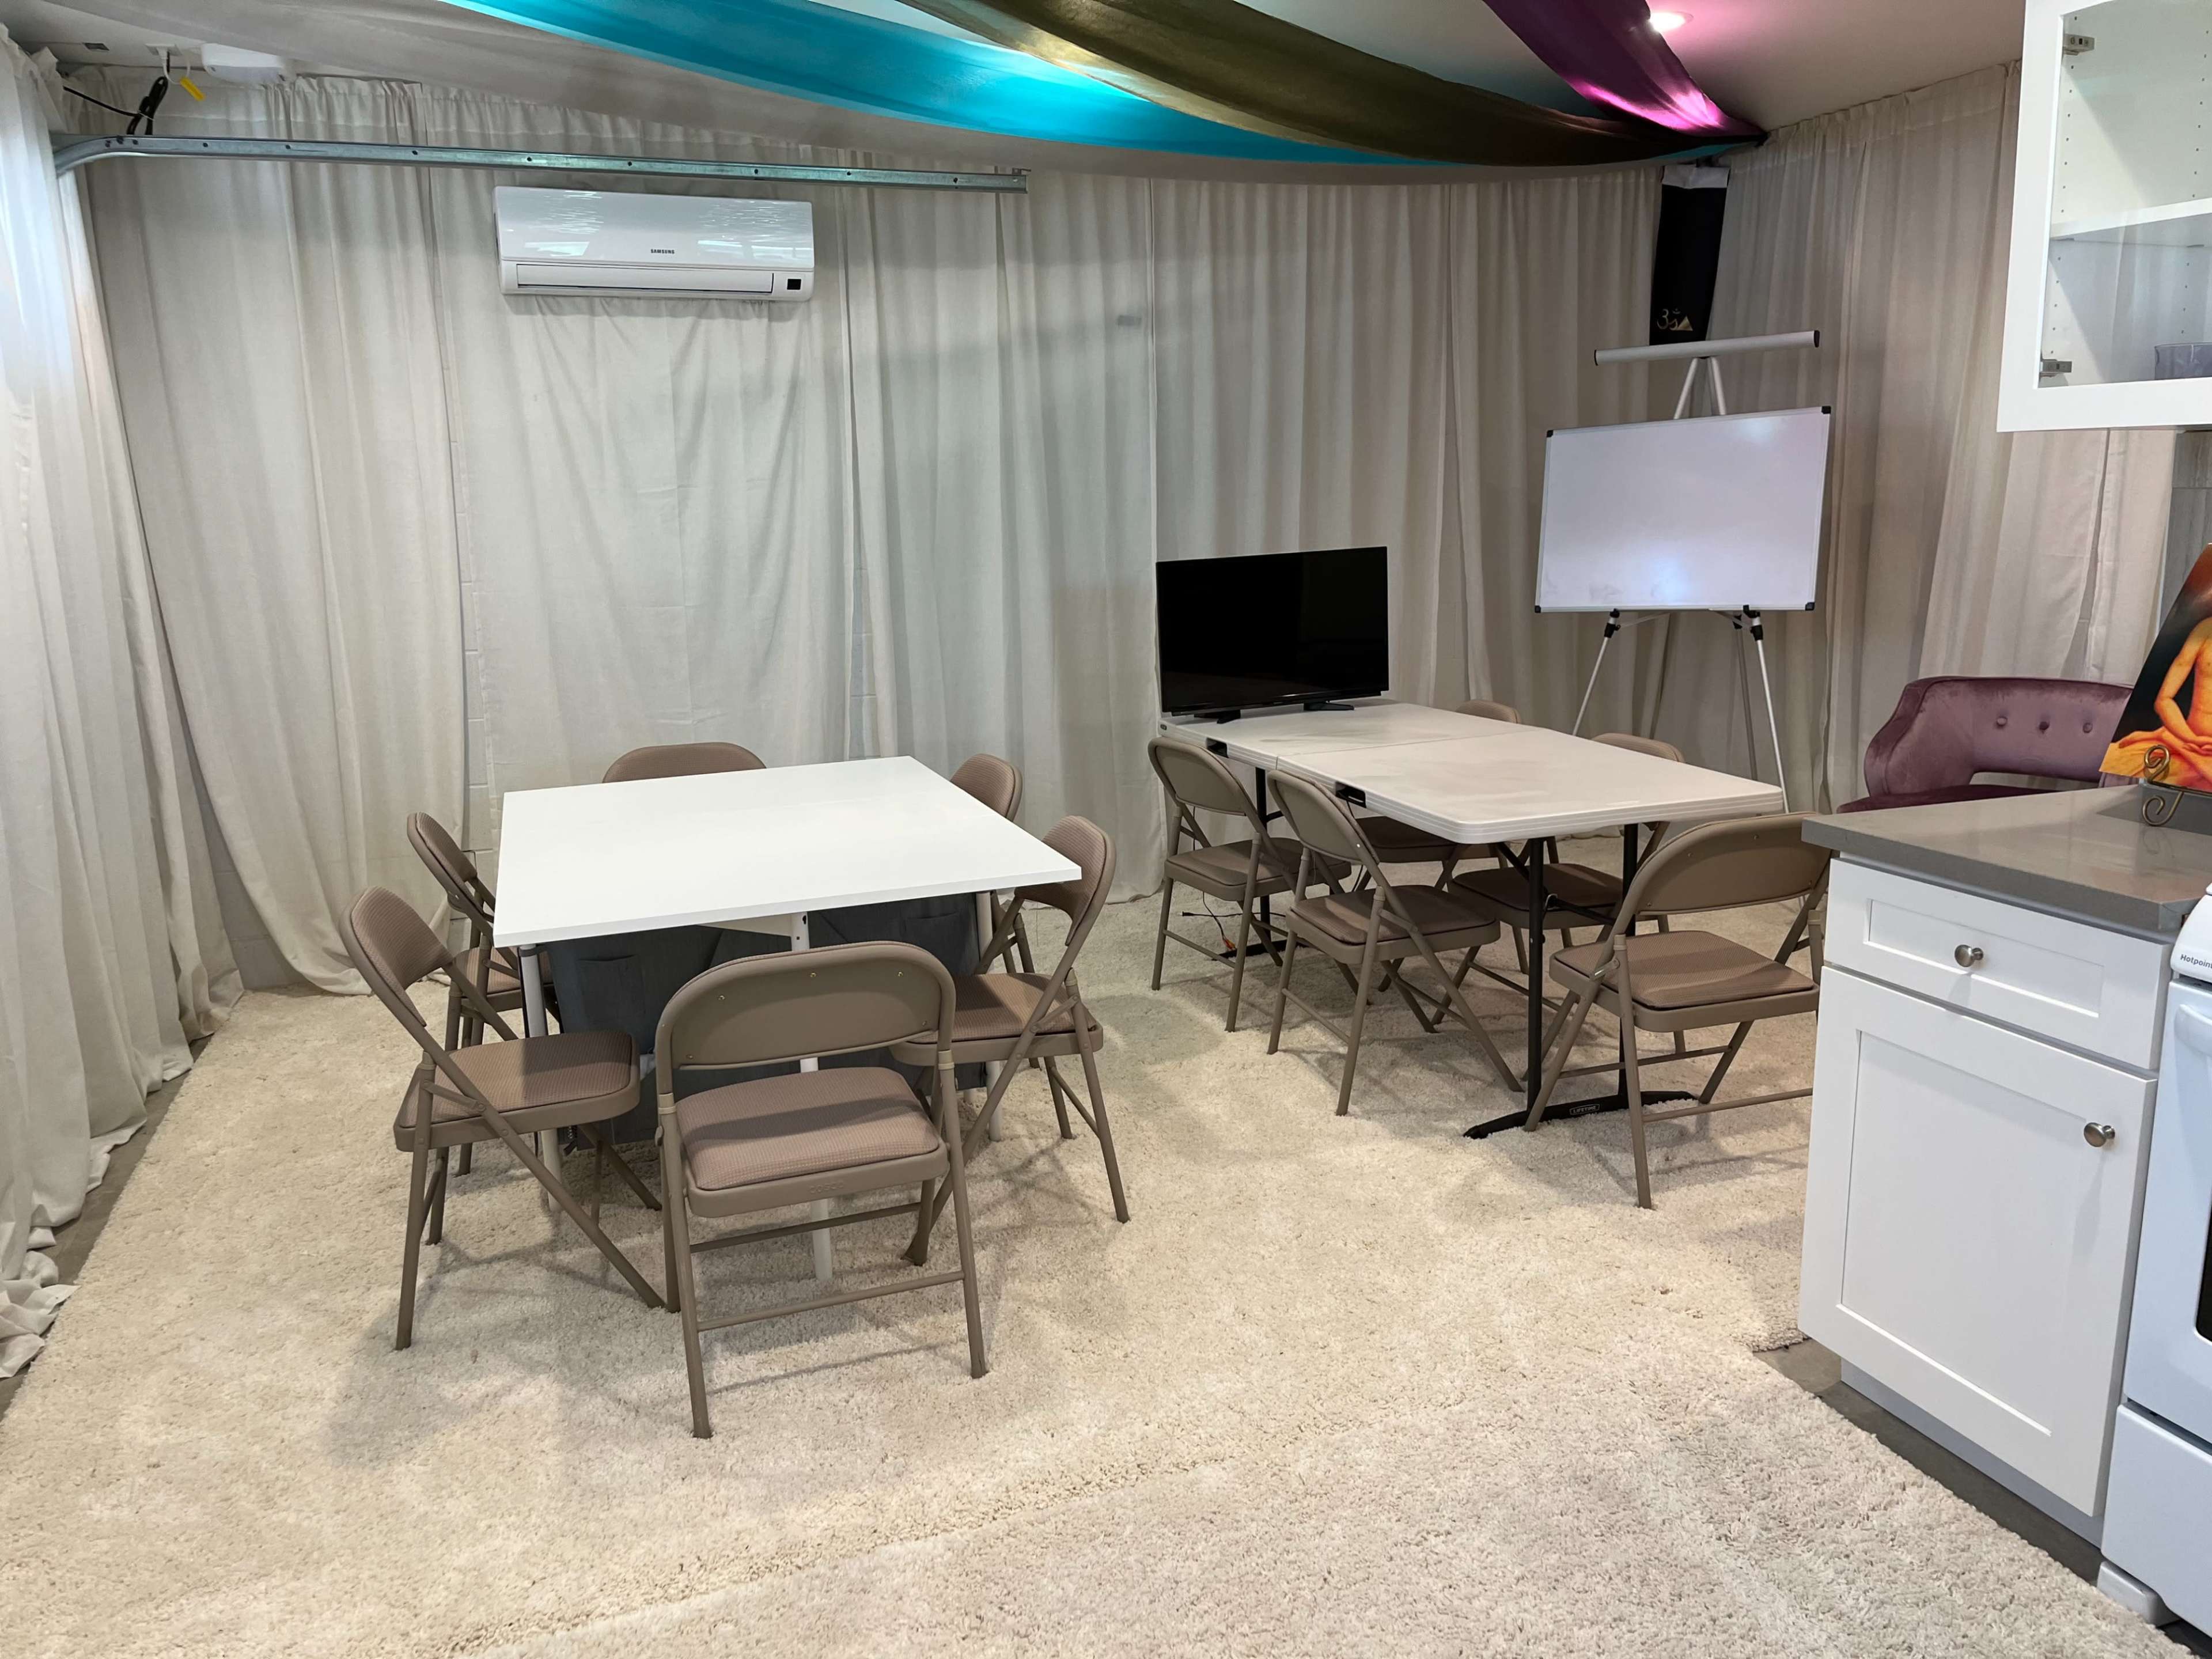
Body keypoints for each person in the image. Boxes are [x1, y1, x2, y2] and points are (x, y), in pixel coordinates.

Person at [2105, 614, 2212, 788]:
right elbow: (2164, 700)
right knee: (2118, 758)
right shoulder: (2205, 630)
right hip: (2185, 742)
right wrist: (2191, 739)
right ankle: (2165, 736)